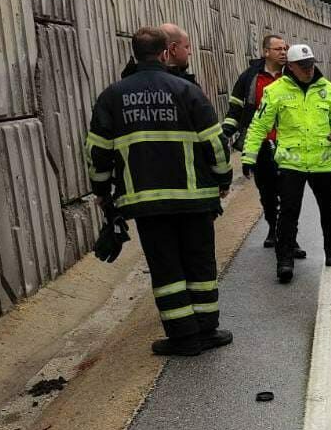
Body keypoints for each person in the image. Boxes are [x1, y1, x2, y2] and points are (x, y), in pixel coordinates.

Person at [86, 26, 234, 356]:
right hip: (194, 198)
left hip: (146, 202)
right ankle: (207, 330)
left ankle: (183, 338)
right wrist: (223, 179)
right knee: (200, 264)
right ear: (166, 52)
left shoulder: (112, 96)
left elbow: (97, 152)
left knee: (167, 269)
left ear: (134, 53)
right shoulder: (186, 90)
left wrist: (101, 190)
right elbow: (216, 142)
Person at [242, 44, 331, 283]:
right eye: (303, 66)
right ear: (290, 66)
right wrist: (249, 157)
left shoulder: (326, 88)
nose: (309, 69)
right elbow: (259, 125)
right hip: (292, 164)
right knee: (288, 213)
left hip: (323, 162)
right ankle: (285, 261)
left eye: (310, 64)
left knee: (330, 211)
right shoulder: (276, 91)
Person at [222, 35, 305, 257]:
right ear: (265, 52)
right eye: (278, 49)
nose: (283, 52)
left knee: (288, 192)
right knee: (267, 191)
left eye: (285, 49)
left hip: (288, 143)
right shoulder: (249, 78)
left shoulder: (293, 75)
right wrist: (226, 132)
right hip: (259, 144)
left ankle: (289, 238)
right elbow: (235, 109)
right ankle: (272, 226)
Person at [119, 23, 196, 84]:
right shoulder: (186, 88)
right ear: (173, 48)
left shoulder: (117, 90)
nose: (190, 52)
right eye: (186, 47)